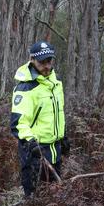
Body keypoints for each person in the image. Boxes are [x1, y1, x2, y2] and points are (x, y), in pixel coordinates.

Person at [10, 41, 69, 197]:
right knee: (35, 198)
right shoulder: (26, 87)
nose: (47, 66)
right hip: (35, 153)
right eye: (42, 62)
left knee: (54, 196)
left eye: (49, 61)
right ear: (32, 60)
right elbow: (18, 124)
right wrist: (31, 144)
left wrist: (63, 136)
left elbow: (58, 112)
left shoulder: (56, 82)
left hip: (54, 149)